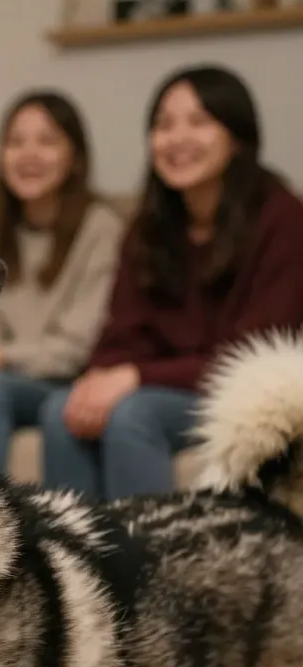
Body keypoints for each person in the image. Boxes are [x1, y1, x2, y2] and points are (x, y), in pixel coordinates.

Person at [39, 65, 303, 501]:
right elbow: (118, 336)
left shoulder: (284, 220)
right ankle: (74, 562)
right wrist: (103, 377)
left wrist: (134, 377)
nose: (177, 138)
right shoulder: (149, 225)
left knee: (132, 414)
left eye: (198, 122)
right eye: (163, 124)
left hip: (244, 396)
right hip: (167, 387)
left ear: (236, 138)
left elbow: (254, 356)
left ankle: (154, 566)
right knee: (58, 409)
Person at [0, 90, 123, 475]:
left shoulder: (100, 227)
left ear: (74, 157)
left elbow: (73, 349)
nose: (28, 155)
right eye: (15, 142)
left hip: (58, 385)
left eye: (46, 141)